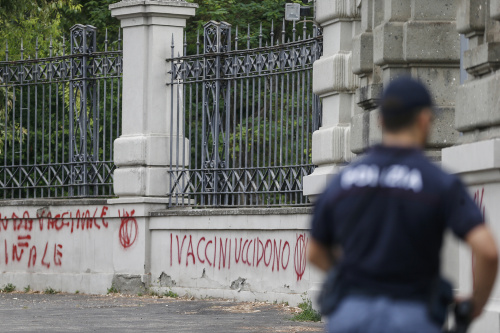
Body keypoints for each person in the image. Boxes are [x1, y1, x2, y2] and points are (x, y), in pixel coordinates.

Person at [308, 76, 499, 333]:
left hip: (350, 316)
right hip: (412, 317)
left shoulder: (343, 181)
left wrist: (352, 275)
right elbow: (487, 250)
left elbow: (315, 252)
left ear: (381, 120)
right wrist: (475, 304)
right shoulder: (438, 183)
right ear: (423, 119)